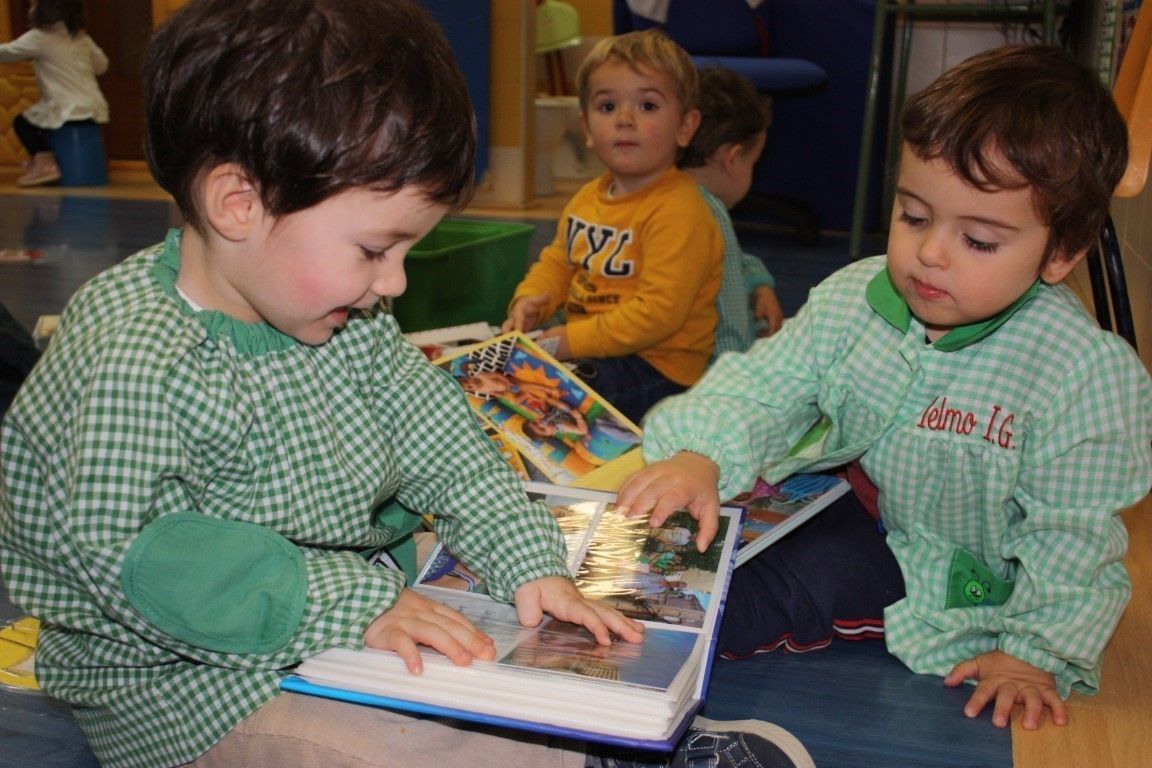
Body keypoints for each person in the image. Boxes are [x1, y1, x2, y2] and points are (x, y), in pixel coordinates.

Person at [0, 2, 814, 768]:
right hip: (185, 687)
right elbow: (139, 556)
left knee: (475, 595)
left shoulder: (342, 314)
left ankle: (601, 727)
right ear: (238, 203)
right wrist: (351, 601)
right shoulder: (131, 351)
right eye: (373, 249)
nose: (392, 285)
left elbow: (450, 454)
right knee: (400, 753)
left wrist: (531, 566)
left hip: (338, 585)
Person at [616, 44, 1152, 732]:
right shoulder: (856, 296)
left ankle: (635, 666)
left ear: (1061, 253)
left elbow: (1072, 536)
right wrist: (701, 454)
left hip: (935, 568)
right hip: (839, 494)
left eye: (980, 241)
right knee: (686, 534)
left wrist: (1031, 652)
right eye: (914, 216)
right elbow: (767, 385)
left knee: (760, 596)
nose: (930, 253)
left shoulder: (1082, 374)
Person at [502, 29, 723, 425]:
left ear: (686, 127)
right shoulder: (588, 197)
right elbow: (558, 261)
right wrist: (533, 297)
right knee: (509, 378)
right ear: (587, 128)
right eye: (608, 107)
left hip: (659, 370)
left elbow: (656, 316)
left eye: (648, 106)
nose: (624, 120)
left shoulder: (678, 210)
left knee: (547, 398)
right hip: (595, 348)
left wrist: (565, 342)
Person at [678, 67, 784, 356]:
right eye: (754, 163)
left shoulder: (658, 191)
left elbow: (728, 260)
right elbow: (731, 322)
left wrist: (758, 283)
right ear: (732, 159)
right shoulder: (709, 214)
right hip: (701, 375)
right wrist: (740, 372)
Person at [0, 0, 109, 186]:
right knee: (42, 123)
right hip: (93, 108)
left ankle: (45, 164)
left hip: (64, 107)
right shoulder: (82, 39)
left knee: (23, 123)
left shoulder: (40, 37)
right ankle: (46, 161)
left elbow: (7, 53)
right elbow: (102, 66)